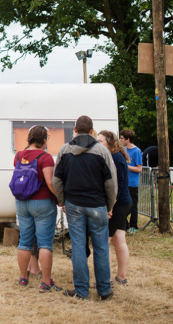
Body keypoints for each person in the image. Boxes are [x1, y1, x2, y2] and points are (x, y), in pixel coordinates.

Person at [53, 115, 117, 301]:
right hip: (98, 205)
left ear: (74, 129)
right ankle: (104, 290)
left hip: (73, 205)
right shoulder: (102, 151)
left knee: (79, 247)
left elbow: (57, 179)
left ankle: (81, 290)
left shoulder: (64, 150)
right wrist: (110, 205)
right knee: (101, 247)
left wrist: (62, 200)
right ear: (92, 131)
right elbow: (111, 182)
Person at [13, 125, 63, 293]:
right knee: (45, 244)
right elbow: (50, 182)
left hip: (22, 202)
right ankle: (46, 282)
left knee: (24, 241)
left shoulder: (18, 155)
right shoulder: (45, 157)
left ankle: (22, 277)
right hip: (42, 202)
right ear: (44, 140)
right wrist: (59, 199)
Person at [98, 130, 132, 289]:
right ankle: (121, 277)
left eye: (101, 141)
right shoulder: (116, 155)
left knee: (104, 241)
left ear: (110, 143)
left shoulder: (114, 157)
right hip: (124, 202)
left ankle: (107, 279)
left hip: (118, 204)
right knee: (119, 240)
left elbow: (116, 186)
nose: (98, 144)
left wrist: (109, 207)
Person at [120, 129, 142, 233]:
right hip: (124, 182)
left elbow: (139, 169)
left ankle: (134, 226)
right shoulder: (124, 150)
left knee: (133, 205)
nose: (120, 140)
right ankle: (126, 224)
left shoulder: (136, 151)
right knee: (123, 205)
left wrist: (126, 166)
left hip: (132, 182)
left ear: (128, 139)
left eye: (122, 138)